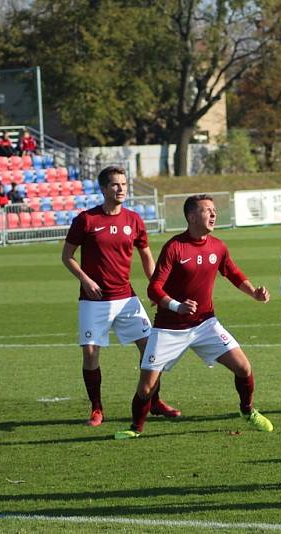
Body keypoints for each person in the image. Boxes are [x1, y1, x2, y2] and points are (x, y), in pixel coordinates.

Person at [114, 194, 274, 439]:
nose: (213, 214)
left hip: (205, 324)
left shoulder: (218, 246)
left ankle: (247, 411)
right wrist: (177, 306)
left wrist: (254, 292)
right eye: (207, 210)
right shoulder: (175, 247)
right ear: (191, 216)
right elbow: (154, 288)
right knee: (146, 387)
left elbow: (232, 273)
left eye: (213, 210)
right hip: (169, 328)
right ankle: (135, 429)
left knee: (243, 367)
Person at [62, 166, 179, 427]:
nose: (121, 189)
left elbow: (147, 257)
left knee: (151, 351)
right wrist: (86, 279)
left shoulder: (134, 219)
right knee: (91, 353)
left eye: (124, 184)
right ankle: (96, 408)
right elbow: (66, 256)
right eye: (115, 185)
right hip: (94, 301)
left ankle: (155, 402)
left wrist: (156, 289)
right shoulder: (86, 220)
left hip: (127, 299)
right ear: (103, 189)